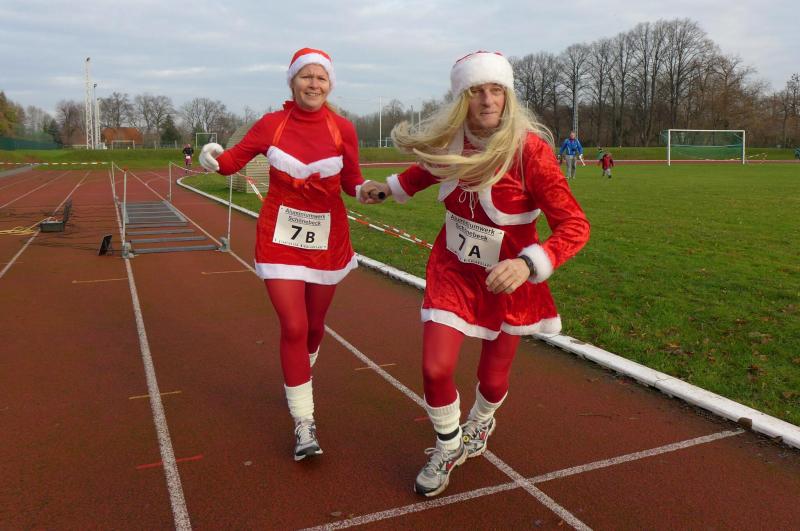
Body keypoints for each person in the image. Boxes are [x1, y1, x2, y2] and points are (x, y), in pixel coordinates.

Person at [369, 51, 590, 497]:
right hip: (453, 269)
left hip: (508, 279)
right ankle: (448, 445)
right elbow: (427, 170)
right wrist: (388, 188)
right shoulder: (452, 143)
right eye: (476, 91)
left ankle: (482, 422)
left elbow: (575, 225)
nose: (487, 100)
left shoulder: (529, 151)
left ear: (507, 95)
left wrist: (527, 263)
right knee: (435, 367)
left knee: (491, 379)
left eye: (495, 90)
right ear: (461, 99)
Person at [198, 48, 383, 461]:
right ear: (292, 81)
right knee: (294, 326)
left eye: (321, 77)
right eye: (305, 76)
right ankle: (304, 422)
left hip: (327, 240)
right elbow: (231, 163)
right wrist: (212, 158)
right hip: (279, 237)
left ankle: (298, 372)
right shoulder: (271, 124)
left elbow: (352, 180)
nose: (313, 84)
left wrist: (367, 190)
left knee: (314, 327)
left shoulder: (343, 129)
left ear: (329, 84)